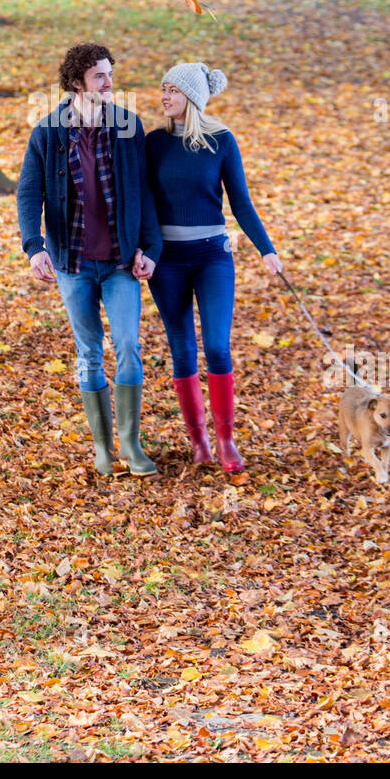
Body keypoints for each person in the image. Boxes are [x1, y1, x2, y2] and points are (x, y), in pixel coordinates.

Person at [16, 44, 163, 477]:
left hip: (120, 263)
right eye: (100, 76)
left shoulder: (128, 127)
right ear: (77, 81)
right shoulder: (48, 132)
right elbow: (28, 192)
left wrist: (150, 249)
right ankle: (103, 447)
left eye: (110, 74)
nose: (109, 83)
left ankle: (132, 445)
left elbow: (144, 192)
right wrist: (34, 245)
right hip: (72, 262)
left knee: (130, 347)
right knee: (88, 354)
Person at [144, 61, 282, 473]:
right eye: (163, 89)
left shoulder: (221, 141)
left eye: (172, 90)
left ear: (192, 97)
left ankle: (226, 441)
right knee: (182, 348)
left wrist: (266, 249)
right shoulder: (153, 144)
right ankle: (199, 442)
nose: (164, 96)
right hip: (167, 260)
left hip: (212, 257)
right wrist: (143, 249)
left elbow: (240, 200)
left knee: (218, 347)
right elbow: (144, 203)